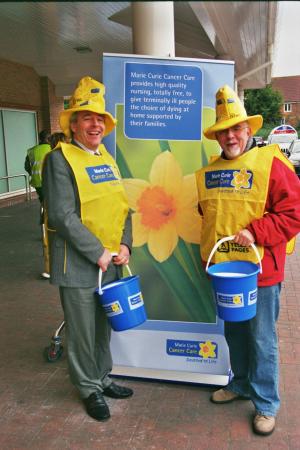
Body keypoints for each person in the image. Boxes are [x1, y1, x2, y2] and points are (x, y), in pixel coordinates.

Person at [196, 85, 300, 436]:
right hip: (225, 273)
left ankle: (266, 403)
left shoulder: (272, 163)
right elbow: (207, 212)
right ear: (217, 136)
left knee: (261, 339)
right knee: (235, 333)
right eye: (223, 131)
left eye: (236, 129)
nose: (230, 136)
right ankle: (240, 384)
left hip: (260, 273)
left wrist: (257, 231)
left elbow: (293, 213)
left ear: (248, 130)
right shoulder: (209, 171)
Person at [42, 76, 133, 422]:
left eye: (100, 119)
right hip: (79, 265)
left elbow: (123, 206)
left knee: (102, 327)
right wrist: (98, 251)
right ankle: (88, 388)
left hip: (109, 261)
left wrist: (124, 244)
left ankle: (103, 378)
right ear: (74, 125)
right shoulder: (59, 160)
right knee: (81, 332)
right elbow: (62, 215)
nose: (95, 124)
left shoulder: (107, 159)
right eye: (87, 118)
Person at [25, 129, 51, 203]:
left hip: (37, 181)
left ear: (40, 139)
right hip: (50, 181)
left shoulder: (32, 151)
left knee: (43, 200)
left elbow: (26, 166)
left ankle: (44, 212)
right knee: (51, 201)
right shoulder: (52, 149)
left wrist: (32, 173)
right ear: (48, 139)